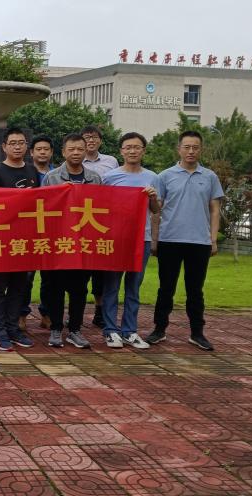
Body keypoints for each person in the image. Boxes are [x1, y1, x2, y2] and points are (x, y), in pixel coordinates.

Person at [147, 130, 224, 351]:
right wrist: (155, 239)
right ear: (179, 149)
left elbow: (215, 209)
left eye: (195, 147)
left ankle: (197, 333)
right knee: (166, 288)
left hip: (199, 242)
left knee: (195, 290)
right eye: (187, 147)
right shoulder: (164, 176)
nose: (191, 151)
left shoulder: (210, 177)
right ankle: (159, 329)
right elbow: (156, 210)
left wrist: (213, 239)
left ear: (201, 150)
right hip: (170, 239)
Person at [41, 133, 102, 349]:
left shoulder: (95, 178)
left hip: (83, 243)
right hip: (58, 243)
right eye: (71, 149)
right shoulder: (52, 178)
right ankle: (56, 328)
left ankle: (75, 329)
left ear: (86, 151)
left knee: (79, 289)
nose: (76, 153)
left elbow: (102, 208)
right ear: (63, 152)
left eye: (80, 149)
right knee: (55, 288)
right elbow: (43, 208)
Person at [101, 132, 161, 350]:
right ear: (121, 151)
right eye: (128, 147)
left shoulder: (153, 177)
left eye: (137, 147)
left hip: (141, 239)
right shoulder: (110, 177)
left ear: (143, 151)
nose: (132, 151)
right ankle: (110, 330)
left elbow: (156, 209)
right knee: (111, 286)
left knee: (134, 287)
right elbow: (101, 206)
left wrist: (152, 197)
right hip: (116, 238)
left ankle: (129, 331)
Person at [0, 128, 39, 351]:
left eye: (21, 142)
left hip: (24, 240)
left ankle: (13, 328)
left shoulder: (32, 170)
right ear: (4, 147)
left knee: (19, 286)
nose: (17, 146)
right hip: (1, 239)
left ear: (26, 146)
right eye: (13, 143)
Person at [81, 125, 119, 328]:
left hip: (103, 221)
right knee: (79, 270)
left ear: (100, 141)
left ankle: (99, 310)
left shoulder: (111, 161)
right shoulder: (74, 161)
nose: (91, 140)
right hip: (80, 222)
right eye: (87, 137)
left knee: (100, 271)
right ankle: (76, 312)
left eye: (94, 137)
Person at [26, 135, 56, 329]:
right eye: (39, 149)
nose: (42, 152)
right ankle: (22, 313)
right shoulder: (24, 172)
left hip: (52, 232)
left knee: (50, 278)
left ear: (51, 152)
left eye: (46, 149)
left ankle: (47, 313)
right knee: (26, 277)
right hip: (28, 231)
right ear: (32, 152)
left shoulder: (58, 174)